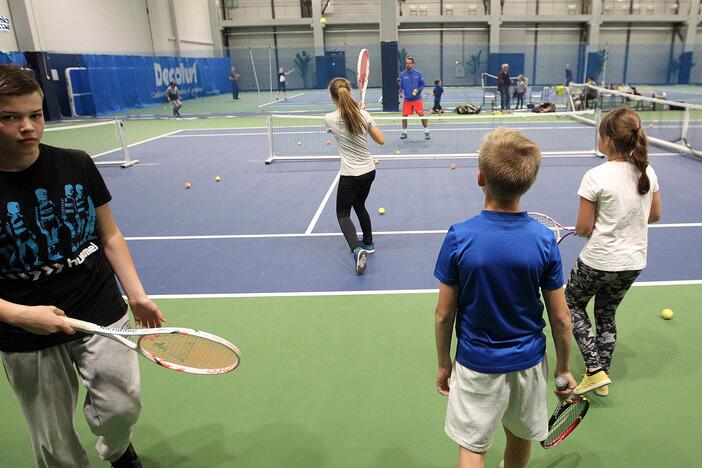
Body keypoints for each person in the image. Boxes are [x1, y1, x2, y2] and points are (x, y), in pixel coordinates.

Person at [0, 64, 165, 468]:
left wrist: (137, 294)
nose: (27, 127)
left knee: (122, 407)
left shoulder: (76, 163)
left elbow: (109, 235)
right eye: (10, 117)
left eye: (35, 115)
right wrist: (21, 314)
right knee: (53, 440)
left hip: (99, 306)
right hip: (25, 329)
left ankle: (117, 449)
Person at [434, 127, 576, 468]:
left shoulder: (459, 237)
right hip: (528, 364)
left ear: (480, 177)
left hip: (475, 364)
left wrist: (443, 363)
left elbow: (443, 315)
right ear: (529, 183)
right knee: (520, 436)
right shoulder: (544, 241)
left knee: (472, 446)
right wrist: (565, 368)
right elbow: (561, 318)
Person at [565, 108, 661, 397]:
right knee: (606, 311)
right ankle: (601, 376)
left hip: (598, 260)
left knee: (571, 303)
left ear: (607, 138)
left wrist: (588, 227)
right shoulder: (648, 171)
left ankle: (593, 369)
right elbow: (654, 214)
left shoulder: (595, 176)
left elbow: (583, 228)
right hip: (633, 262)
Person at [324, 78, 385, 275]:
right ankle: (368, 242)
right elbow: (381, 140)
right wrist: (365, 116)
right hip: (368, 172)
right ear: (349, 92)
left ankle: (356, 249)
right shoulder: (363, 114)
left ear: (333, 97)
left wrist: (358, 113)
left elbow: (342, 120)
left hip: (350, 175)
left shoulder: (329, 119)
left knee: (342, 213)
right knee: (359, 205)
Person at [399, 56, 430, 140]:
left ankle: (427, 131)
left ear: (413, 64)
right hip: (407, 100)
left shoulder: (418, 73)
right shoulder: (402, 75)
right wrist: (401, 92)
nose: (407, 65)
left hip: (417, 99)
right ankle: (404, 132)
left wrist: (419, 90)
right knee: (404, 116)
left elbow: (422, 84)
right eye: (406, 63)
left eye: (409, 63)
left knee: (421, 115)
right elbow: (400, 85)